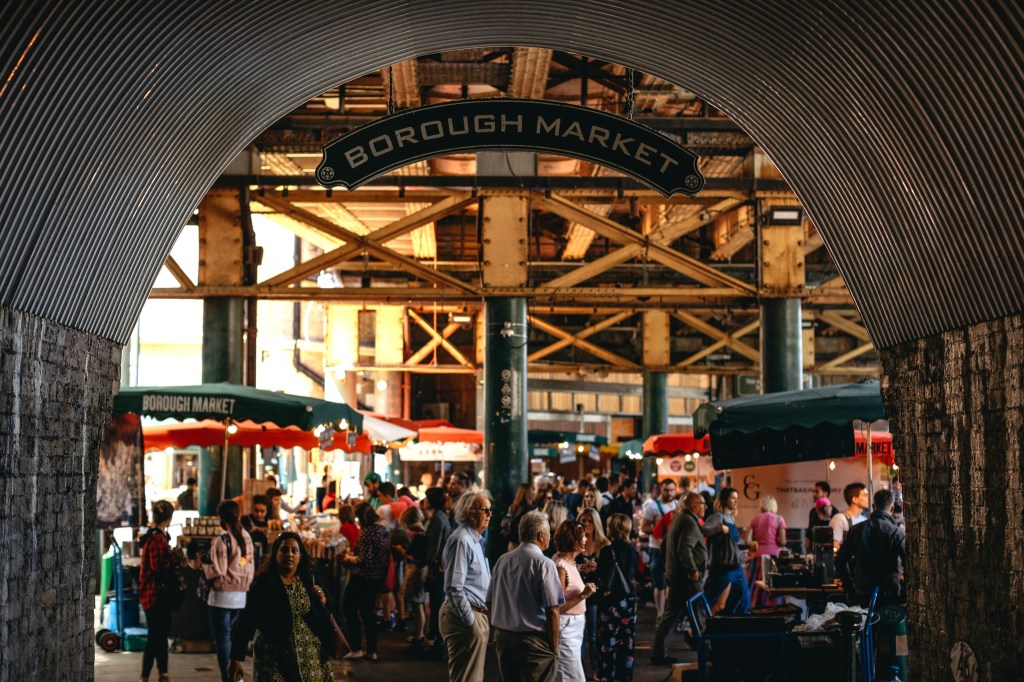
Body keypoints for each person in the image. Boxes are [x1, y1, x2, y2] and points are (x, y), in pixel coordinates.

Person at [227, 532, 334, 682]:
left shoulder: (310, 579)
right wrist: (235, 658)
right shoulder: (264, 584)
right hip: (273, 657)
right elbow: (247, 620)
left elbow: (328, 607)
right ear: (276, 553)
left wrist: (322, 600)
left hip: (309, 655)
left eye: (294, 551)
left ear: (300, 555)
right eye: (284, 550)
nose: (289, 554)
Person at [487, 510, 565, 682]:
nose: (550, 537)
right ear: (541, 535)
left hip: (504, 638)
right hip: (532, 642)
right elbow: (552, 610)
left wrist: (495, 635)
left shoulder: (503, 560)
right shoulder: (544, 564)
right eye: (549, 533)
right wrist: (554, 648)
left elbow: (489, 601)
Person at [197, 500, 255, 682]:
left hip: (221, 597)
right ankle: (236, 677)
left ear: (222, 518)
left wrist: (202, 566)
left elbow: (219, 570)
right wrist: (236, 568)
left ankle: (228, 678)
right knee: (234, 640)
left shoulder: (222, 541)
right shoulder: (246, 537)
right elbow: (245, 561)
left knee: (223, 641)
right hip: (240, 597)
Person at [440, 492, 493, 681]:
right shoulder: (462, 540)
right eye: (485, 510)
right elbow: (454, 587)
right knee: (466, 678)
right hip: (465, 617)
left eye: (490, 510)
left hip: (475, 615)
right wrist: (471, 622)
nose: (489, 514)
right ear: (470, 513)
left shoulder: (474, 540)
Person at [651, 492, 708, 665]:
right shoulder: (689, 522)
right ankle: (708, 654)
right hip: (687, 580)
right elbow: (685, 548)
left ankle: (659, 654)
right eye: (702, 503)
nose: (705, 506)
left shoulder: (678, 519)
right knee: (699, 616)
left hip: (676, 577)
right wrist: (691, 570)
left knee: (670, 616)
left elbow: (663, 546)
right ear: (692, 506)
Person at [836, 489, 906, 607]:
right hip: (890, 595)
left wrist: (850, 590)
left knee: (865, 625)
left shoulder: (856, 530)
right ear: (892, 509)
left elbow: (839, 561)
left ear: (873, 506)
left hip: (862, 594)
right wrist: (904, 596)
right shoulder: (897, 533)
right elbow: (909, 564)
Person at [341, 502, 391, 660]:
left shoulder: (367, 533)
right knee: (368, 613)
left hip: (361, 577)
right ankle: (371, 650)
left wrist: (349, 558)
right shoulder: (382, 530)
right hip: (376, 578)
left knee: (348, 607)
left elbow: (364, 559)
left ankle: (356, 648)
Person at [139, 500, 179, 682]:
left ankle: (163, 673)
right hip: (154, 595)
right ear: (169, 518)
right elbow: (158, 566)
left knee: (160, 636)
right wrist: (175, 556)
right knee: (156, 637)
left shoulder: (155, 536)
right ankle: (145, 675)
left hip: (154, 595)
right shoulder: (157, 538)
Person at [594, 513, 637, 681]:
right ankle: (624, 676)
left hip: (611, 601)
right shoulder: (632, 550)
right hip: (629, 601)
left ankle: (607, 676)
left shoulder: (607, 551)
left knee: (607, 642)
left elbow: (601, 576)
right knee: (627, 642)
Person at [553, 520, 597, 682]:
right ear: (573, 541)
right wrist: (583, 595)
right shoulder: (560, 567)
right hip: (566, 629)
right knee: (572, 677)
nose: (585, 540)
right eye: (582, 537)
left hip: (574, 629)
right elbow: (557, 607)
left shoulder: (569, 563)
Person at [702, 487, 750, 615]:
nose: (736, 501)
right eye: (733, 498)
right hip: (723, 567)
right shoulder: (717, 517)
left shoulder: (731, 518)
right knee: (718, 604)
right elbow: (704, 530)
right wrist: (719, 528)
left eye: (737, 499)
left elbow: (730, 544)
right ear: (724, 500)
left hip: (735, 566)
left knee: (742, 600)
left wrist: (747, 547)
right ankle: (701, 628)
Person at [576, 507, 607, 680]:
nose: (586, 524)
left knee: (594, 636)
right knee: (578, 635)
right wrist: (579, 567)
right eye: (583, 520)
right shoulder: (575, 541)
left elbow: (609, 570)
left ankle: (595, 670)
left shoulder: (603, 544)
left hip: (595, 595)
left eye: (589, 521)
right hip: (577, 593)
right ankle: (578, 669)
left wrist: (598, 567)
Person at [641, 479, 677, 620]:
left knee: (672, 582)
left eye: (671, 490)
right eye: (666, 490)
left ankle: (669, 613)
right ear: (661, 490)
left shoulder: (677, 505)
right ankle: (660, 613)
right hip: (657, 548)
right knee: (659, 582)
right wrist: (657, 528)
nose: (669, 493)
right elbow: (644, 527)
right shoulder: (653, 507)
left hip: (672, 549)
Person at [422, 486, 451, 659]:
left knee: (436, 606)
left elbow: (433, 548)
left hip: (437, 569)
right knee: (436, 605)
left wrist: (427, 566)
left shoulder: (437, 520)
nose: (424, 501)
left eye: (426, 498)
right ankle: (436, 642)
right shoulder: (441, 518)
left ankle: (437, 645)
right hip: (439, 568)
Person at [398, 506, 429, 655]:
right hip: (419, 571)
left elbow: (416, 558)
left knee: (417, 606)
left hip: (417, 572)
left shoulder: (419, 537)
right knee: (419, 606)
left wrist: (403, 552)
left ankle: (419, 637)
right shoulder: (423, 534)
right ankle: (419, 635)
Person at [831, 482, 870, 548]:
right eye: (865, 495)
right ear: (855, 499)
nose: (869, 498)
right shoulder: (840, 519)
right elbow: (835, 544)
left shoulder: (865, 519)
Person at [501, 482, 536, 550]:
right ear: (529, 494)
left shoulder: (513, 507)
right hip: (524, 545)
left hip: (512, 543)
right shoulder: (531, 509)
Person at [241, 494, 271, 560]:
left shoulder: (270, 522)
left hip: (266, 558)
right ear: (252, 508)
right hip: (248, 557)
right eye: (256, 510)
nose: (259, 514)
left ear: (267, 510)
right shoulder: (246, 520)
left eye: (262, 511)